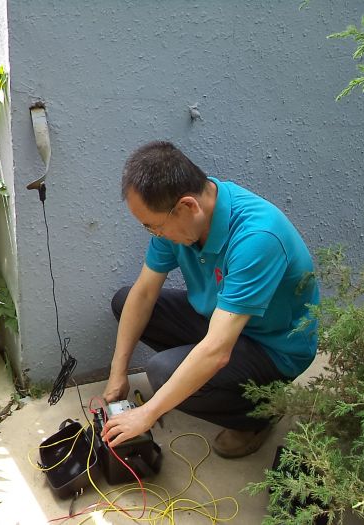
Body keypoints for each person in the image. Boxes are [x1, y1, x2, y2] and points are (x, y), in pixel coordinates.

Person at [101, 141, 320, 459]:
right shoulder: (182, 218)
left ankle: (258, 415)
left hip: (274, 347)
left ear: (188, 206)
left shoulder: (257, 238)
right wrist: (117, 372)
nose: (155, 234)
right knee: (126, 302)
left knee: (162, 372)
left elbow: (217, 351)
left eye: (155, 227)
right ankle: (204, 382)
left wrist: (147, 413)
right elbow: (144, 293)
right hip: (223, 318)